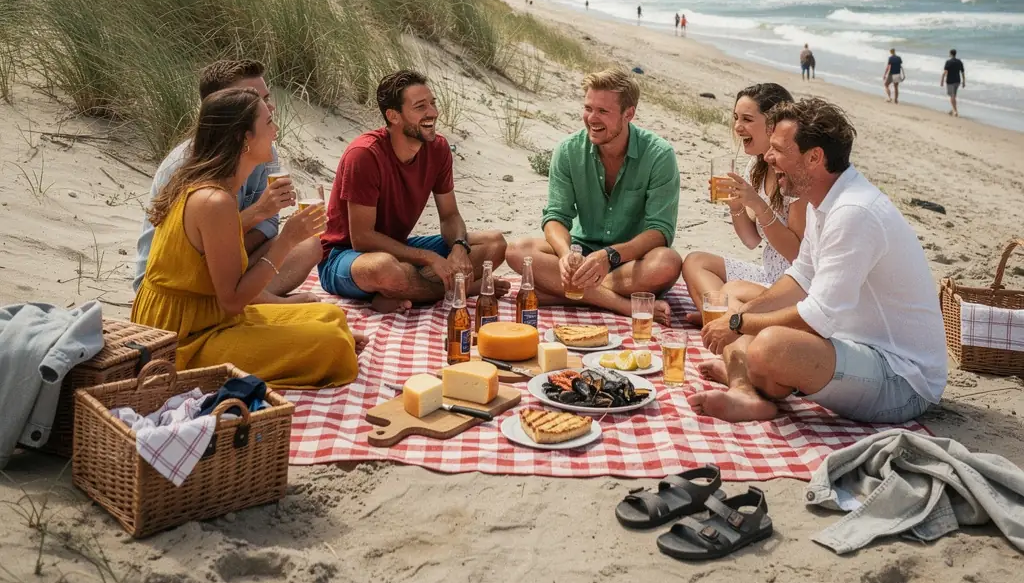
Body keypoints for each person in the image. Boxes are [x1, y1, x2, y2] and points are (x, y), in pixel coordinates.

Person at [691, 97, 947, 424]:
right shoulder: (820, 202)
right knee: (742, 311)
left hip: (903, 379)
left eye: (779, 150)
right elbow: (800, 277)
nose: (768, 158)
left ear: (814, 157)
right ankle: (747, 387)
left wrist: (738, 324)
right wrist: (741, 316)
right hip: (852, 348)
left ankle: (750, 376)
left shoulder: (854, 212)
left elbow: (817, 318)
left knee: (769, 344)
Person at [131, 88, 359, 389]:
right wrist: (286, 239)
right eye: (267, 123)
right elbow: (234, 300)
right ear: (244, 139)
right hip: (181, 338)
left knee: (330, 317)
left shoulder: (208, 185)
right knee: (332, 344)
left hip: (208, 317)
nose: (276, 130)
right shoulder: (214, 201)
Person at [319, 70, 508, 313]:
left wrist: (459, 248)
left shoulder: (438, 148)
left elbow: (450, 216)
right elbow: (362, 238)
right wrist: (429, 259)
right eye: (420, 107)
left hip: (397, 246)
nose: (433, 112)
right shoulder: (364, 154)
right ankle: (464, 288)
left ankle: (402, 291)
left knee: (495, 244)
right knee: (386, 269)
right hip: (346, 256)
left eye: (432, 103)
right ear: (393, 116)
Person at [506, 68, 681, 323]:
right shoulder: (568, 151)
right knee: (516, 251)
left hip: (631, 261)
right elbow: (556, 216)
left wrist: (609, 256)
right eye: (588, 108)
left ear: (628, 114)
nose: (591, 118)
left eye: (603, 111)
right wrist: (565, 254)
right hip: (582, 253)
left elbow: (660, 231)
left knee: (668, 262)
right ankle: (620, 304)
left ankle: (565, 293)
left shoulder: (659, 155)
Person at [132, 59, 317, 302]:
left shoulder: (264, 152)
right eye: (254, 99)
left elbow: (269, 224)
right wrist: (258, 214)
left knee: (309, 246)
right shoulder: (186, 165)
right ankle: (262, 302)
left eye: (266, 98)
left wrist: (235, 247)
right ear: (223, 107)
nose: (268, 108)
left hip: (228, 260)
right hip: (180, 280)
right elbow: (182, 249)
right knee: (323, 328)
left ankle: (256, 297)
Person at [681, 84, 806, 322]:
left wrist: (758, 204)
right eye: (736, 118)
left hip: (792, 285)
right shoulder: (756, 167)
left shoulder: (794, 177)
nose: (738, 127)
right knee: (695, 262)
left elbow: (796, 254)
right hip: (768, 274)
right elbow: (751, 241)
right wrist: (736, 205)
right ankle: (723, 318)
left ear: (774, 124)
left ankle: (721, 319)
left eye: (747, 119)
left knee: (733, 289)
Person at [941, 48, 966, 117]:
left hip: (950, 81)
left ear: (950, 54)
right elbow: (962, 72)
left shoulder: (948, 62)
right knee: (953, 95)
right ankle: (953, 109)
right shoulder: (959, 62)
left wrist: (942, 80)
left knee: (952, 96)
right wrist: (964, 81)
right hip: (957, 81)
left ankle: (955, 111)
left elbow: (945, 72)